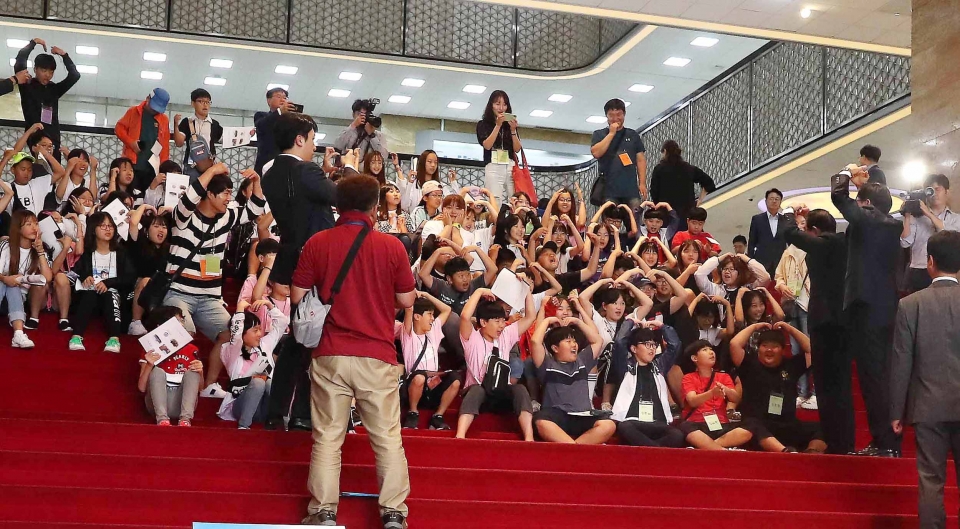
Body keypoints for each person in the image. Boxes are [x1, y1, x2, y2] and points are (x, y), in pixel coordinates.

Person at [293, 175, 416, 528]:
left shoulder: (318, 243)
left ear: (338, 206)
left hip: (330, 352)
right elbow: (407, 299)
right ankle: (393, 513)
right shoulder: (391, 247)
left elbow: (299, 297)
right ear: (375, 207)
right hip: (376, 354)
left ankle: (323, 512)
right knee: (387, 438)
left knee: (328, 438)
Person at [164, 163, 266, 399]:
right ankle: (177, 383)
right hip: (179, 292)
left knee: (231, 333)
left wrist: (257, 181)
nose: (229, 199)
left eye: (231, 193)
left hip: (210, 297)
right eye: (225, 193)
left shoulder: (226, 217)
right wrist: (211, 171)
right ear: (209, 193)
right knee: (183, 330)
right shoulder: (183, 217)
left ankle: (209, 385)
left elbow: (254, 208)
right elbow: (189, 199)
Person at [890, 230, 960, 529]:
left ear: (930, 262)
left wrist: (896, 411)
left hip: (927, 406)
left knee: (930, 480)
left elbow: (901, 359)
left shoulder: (910, 304)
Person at [831, 171, 903, 457]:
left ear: (868, 203)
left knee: (874, 376)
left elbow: (839, 196)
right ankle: (884, 439)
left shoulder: (872, 218)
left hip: (867, 307)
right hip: (881, 305)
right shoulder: (887, 225)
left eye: (860, 201)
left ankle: (886, 441)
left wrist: (847, 175)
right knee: (877, 374)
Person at [782, 206, 852, 454]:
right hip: (843, 320)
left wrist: (790, 211)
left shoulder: (826, 243)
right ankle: (844, 441)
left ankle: (836, 440)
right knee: (840, 385)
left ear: (814, 230)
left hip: (826, 322)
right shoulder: (843, 242)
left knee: (826, 385)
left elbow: (790, 232)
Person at [260, 112, 337, 287]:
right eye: (312, 139)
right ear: (299, 140)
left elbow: (301, 197)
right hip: (317, 258)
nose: (314, 147)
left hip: (289, 258)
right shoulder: (306, 170)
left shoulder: (269, 174)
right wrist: (350, 167)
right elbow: (343, 197)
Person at [730, 322, 826, 453]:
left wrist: (790, 329)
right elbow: (734, 344)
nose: (769, 350)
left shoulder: (791, 365)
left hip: (787, 425)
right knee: (752, 426)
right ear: (759, 349)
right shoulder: (749, 364)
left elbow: (811, 349)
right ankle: (783, 451)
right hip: (759, 426)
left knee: (824, 427)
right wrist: (754, 327)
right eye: (764, 346)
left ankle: (811, 453)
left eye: (774, 346)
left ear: (782, 349)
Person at [456, 288, 537, 441]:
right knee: (476, 391)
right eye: (497, 321)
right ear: (483, 322)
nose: (501, 325)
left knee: (519, 389)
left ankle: (529, 437)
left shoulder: (506, 335)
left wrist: (526, 291)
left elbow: (531, 316)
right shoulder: (472, 338)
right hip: (479, 393)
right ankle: (460, 436)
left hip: (501, 393)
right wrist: (479, 291)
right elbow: (465, 316)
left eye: (502, 320)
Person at [530, 316, 616, 445]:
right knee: (541, 422)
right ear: (555, 348)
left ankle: (574, 448)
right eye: (568, 341)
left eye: (574, 340)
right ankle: (575, 448)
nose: (574, 344)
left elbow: (598, 340)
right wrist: (547, 321)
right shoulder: (547, 364)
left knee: (609, 425)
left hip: (583, 415)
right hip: (557, 416)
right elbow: (535, 341)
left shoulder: (582, 361)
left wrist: (577, 321)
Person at [609, 321, 686, 448]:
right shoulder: (625, 366)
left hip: (658, 422)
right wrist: (630, 322)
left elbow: (675, 345)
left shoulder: (660, 366)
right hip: (633, 421)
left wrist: (662, 326)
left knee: (677, 435)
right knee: (625, 427)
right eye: (647, 344)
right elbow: (619, 342)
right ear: (634, 349)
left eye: (654, 345)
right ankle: (655, 451)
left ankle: (649, 450)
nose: (652, 348)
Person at [217, 300, 288, 429]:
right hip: (240, 404)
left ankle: (282, 421)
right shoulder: (230, 350)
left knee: (270, 382)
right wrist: (239, 309)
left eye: (260, 330)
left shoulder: (265, 345)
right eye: (255, 330)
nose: (260, 334)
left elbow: (282, 323)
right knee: (258, 382)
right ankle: (244, 425)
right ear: (244, 333)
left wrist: (269, 305)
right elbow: (236, 336)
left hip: (264, 407)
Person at [400, 292, 460, 430]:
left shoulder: (433, 332)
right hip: (414, 385)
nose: (433, 318)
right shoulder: (408, 334)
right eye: (430, 314)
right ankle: (413, 412)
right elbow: (409, 308)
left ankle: (438, 416)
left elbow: (447, 310)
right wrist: (411, 295)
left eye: (433, 315)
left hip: (433, 386)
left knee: (455, 379)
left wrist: (426, 295)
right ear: (417, 316)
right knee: (420, 377)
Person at [14, 37, 81, 161]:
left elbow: (75, 75)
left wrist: (64, 55)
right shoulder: (27, 85)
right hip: (36, 137)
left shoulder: (54, 89)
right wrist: (33, 43)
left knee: (54, 173)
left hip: (53, 139)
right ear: (35, 69)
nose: (47, 75)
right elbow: (19, 62)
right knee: (39, 170)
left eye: (51, 72)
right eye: (44, 70)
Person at [678, 340, 752, 450]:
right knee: (685, 427)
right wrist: (712, 393)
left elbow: (735, 398)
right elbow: (692, 401)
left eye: (711, 349)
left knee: (751, 425)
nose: (711, 352)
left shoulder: (724, 376)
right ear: (694, 358)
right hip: (698, 424)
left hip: (721, 424)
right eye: (705, 350)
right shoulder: (688, 378)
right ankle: (722, 450)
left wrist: (726, 389)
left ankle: (707, 446)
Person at [138, 306, 203, 427]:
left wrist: (200, 371)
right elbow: (142, 388)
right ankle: (162, 420)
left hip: (182, 401)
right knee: (157, 371)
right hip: (157, 402)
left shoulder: (192, 349)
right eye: (176, 322)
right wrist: (149, 365)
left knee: (193, 372)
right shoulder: (151, 350)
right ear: (161, 327)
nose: (182, 325)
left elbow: (199, 389)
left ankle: (185, 419)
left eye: (182, 321)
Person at [900, 174, 960, 293]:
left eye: (938, 189)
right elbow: (905, 243)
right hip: (918, 269)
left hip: (943, 273)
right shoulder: (917, 217)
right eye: (930, 190)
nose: (934, 194)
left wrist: (928, 213)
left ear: (946, 192)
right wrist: (907, 216)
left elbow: (947, 235)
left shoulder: (956, 219)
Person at [0, 210, 51, 348]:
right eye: (29, 224)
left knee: (14, 285)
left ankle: (18, 334)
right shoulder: (6, 245)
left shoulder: (40, 250)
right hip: (1, 295)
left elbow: (47, 278)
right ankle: (18, 333)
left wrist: (40, 251)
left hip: (19, 301)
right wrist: (6, 279)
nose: (34, 227)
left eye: (36, 223)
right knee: (9, 283)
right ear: (18, 228)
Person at [591, 98, 647, 207]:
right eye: (611, 115)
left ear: (624, 115)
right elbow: (596, 153)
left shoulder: (633, 135)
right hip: (608, 189)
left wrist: (642, 183)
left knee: (634, 220)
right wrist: (611, 134)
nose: (615, 118)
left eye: (619, 114)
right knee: (610, 220)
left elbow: (640, 160)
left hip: (630, 189)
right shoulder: (599, 134)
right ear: (606, 116)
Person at [648, 140, 716, 230]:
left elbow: (654, 192)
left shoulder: (659, 169)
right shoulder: (689, 168)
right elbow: (709, 183)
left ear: (664, 151)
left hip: (667, 215)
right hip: (687, 214)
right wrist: (699, 201)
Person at [114, 88, 172, 191]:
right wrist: (131, 143)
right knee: (131, 194)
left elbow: (165, 146)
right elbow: (119, 129)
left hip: (153, 168)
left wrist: (164, 168)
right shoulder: (133, 112)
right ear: (148, 98)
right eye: (154, 106)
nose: (155, 110)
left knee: (149, 196)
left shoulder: (164, 119)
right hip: (133, 166)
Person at [477, 90, 523, 205]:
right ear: (491, 105)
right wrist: (498, 125)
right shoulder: (483, 124)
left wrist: (513, 130)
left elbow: (517, 149)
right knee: (494, 198)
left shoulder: (510, 125)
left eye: (504, 104)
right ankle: (496, 221)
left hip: (510, 164)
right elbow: (487, 145)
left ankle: (515, 221)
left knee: (515, 198)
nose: (501, 107)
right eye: (497, 104)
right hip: (493, 164)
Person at [174, 88, 223, 177]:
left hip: (210, 165)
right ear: (193, 103)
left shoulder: (214, 124)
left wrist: (246, 135)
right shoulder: (187, 122)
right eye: (201, 101)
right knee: (192, 189)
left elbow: (225, 139)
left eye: (208, 102)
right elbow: (179, 143)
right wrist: (176, 125)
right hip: (191, 165)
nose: (205, 105)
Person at [334, 99, 389, 171]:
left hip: (367, 175)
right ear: (353, 115)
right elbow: (338, 146)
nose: (362, 118)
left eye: (365, 115)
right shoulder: (349, 131)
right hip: (348, 172)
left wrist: (371, 135)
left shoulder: (378, 136)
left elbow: (384, 156)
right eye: (359, 114)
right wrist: (353, 125)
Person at [253, 87, 297, 175]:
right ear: (268, 101)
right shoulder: (261, 115)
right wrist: (279, 112)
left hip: (286, 165)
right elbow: (262, 125)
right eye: (278, 96)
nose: (282, 100)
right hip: (266, 163)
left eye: (285, 98)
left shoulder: (290, 121)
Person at [747, 188, 787, 276]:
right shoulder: (757, 219)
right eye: (771, 198)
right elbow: (752, 242)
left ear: (780, 202)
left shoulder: (785, 220)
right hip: (761, 262)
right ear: (766, 201)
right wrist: (750, 262)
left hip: (781, 263)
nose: (774, 201)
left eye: (777, 199)